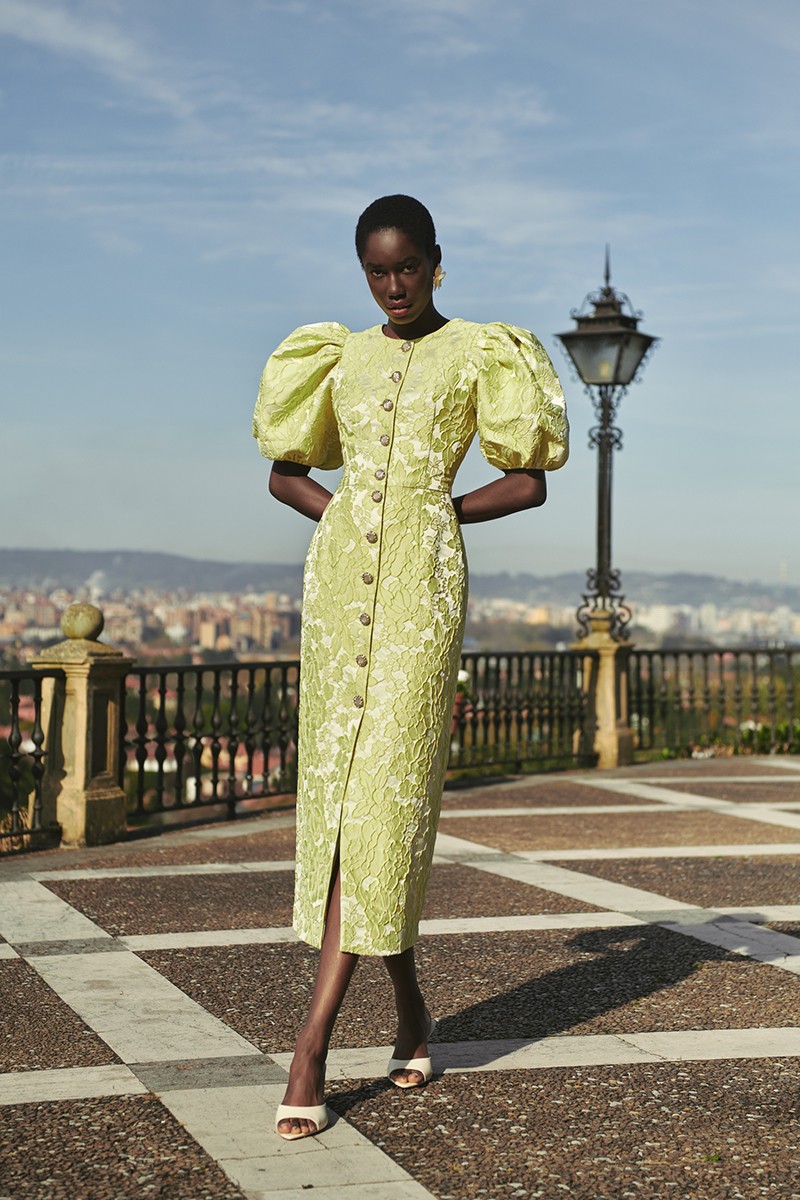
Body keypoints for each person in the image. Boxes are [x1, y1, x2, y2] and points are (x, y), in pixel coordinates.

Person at [253, 195, 569, 1140]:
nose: (394, 286)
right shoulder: (336, 355)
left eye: (408, 268)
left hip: (421, 601)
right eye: (377, 272)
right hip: (338, 596)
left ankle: (309, 1046)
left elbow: (529, 481)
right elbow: (284, 472)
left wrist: (436, 517)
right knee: (342, 811)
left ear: (436, 261)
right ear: (364, 271)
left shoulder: (480, 352)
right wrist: (347, 518)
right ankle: (414, 1013)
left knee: (382, 809)